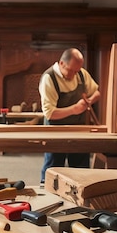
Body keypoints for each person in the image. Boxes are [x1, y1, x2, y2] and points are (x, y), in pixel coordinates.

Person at [38, 48, 100, 185]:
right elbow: (50, 113)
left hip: (79, 129)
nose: (74, 75)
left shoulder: (81, 73)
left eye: (77, 71)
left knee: (81, 172)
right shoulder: (49, 78)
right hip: (55, 130)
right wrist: (74, 109)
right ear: (61, 63)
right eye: (71, 71)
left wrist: (89, 101)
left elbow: (96, 92)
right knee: (53, 168)